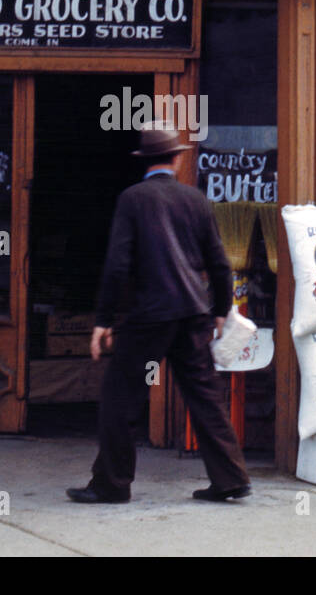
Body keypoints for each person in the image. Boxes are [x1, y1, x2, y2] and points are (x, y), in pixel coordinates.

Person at [66, 124, 252, 504]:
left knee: (121, 397)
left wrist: (102, 320)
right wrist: (219, 310)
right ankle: (231, 478)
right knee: (205, 396)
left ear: (144, 161)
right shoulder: (195, 199)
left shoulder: (133, 199)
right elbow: (220, 263)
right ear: (178, 158)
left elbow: (118, 265)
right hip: (193, 314)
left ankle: (112, 484)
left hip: (150, 316)